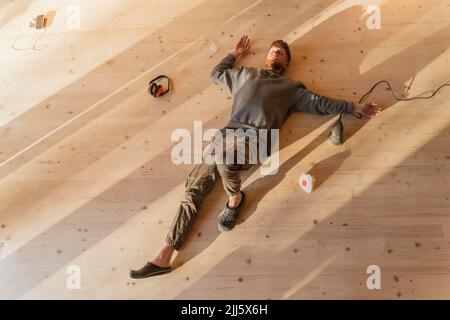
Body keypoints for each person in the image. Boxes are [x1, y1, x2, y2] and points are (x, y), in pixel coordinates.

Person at [130, 35, 381, 279]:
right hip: (224, 137)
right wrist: (235, 54)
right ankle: (164, 257)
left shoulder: (290, 88)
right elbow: (216, 74)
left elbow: (320, 102)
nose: (275, 54)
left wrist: (355, 108)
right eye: (272, 51)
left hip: (255, 141)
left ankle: (235, 199)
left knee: (225, 160)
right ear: (266, 57)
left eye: (280, 53)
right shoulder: (244, 75)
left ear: (286, 63)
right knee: (193, 190)